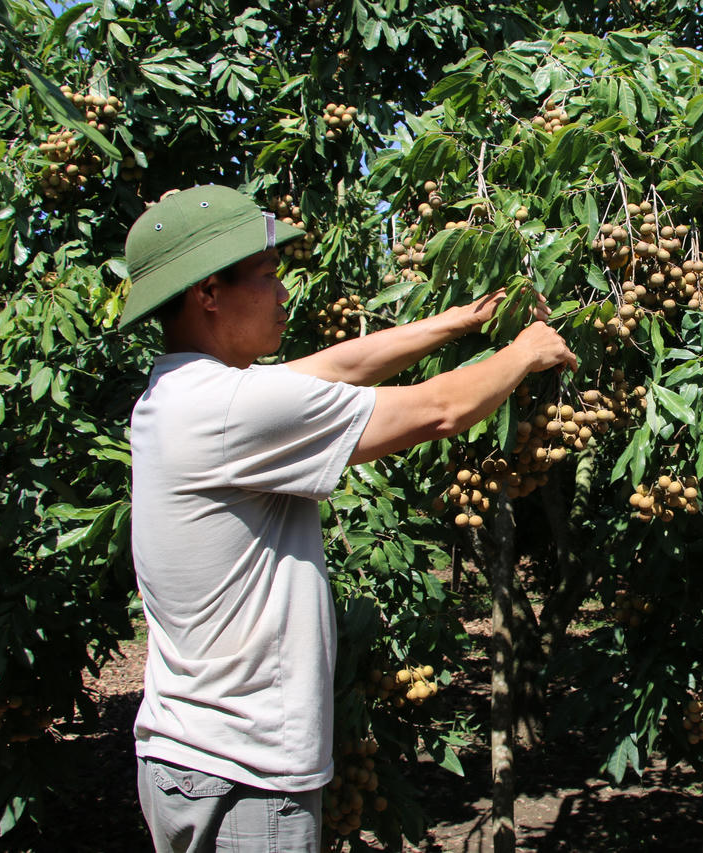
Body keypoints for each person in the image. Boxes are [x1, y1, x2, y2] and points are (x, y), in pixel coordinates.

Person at [120, 185, 576, 852]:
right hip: (246, 770)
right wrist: (525, 350)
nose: (285, 295)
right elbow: (438, 410)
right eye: (270, 276)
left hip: (184, 753)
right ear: (208, 293)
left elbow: (335, 367)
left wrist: (461, 321)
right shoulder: (228, 412)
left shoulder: (180, 396)